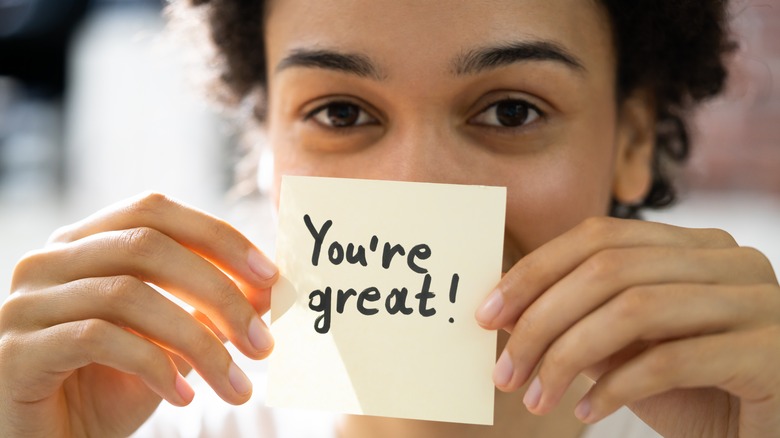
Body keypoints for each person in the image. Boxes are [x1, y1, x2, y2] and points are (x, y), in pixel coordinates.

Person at [2, 0, 779, 436]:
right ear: (264, 145)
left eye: (511, 111)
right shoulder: (130, 428)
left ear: (632, 141)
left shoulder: (740, 416)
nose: (417, 187)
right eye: (340, 112)